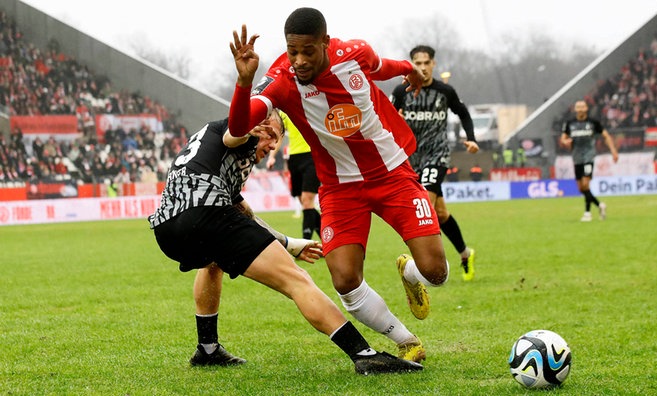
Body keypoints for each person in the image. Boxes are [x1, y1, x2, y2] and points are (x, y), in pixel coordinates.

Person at [227, 9, 451, 364]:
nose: (298, 60)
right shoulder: (281, 79)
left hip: (392, 174)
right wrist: (243, 82)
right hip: (339, 189)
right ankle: (406, 340)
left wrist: (410, 71)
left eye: (307, 51)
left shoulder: (354, 54)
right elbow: (239, 126)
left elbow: (383, 66)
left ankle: (409, 272)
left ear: (326, 43)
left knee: (436, 273)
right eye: (291, 51)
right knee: (345, 279)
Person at [148, 113, 421, 375]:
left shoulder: (208, 141)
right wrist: (246, 82)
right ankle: (364, 355)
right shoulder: (240, 131)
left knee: (213, 263)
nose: (274, 146)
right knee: (297, 280)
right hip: (208, 214)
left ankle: (207, 349)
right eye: (274, 136)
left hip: (167, 228)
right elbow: (237, 132)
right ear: (261, 125)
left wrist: (289, 243)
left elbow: (243, 212)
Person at [391, 45, 479, 282]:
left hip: (437, 155)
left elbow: (463, 113)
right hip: (410, 158)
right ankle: (465, 254)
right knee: (440, 213)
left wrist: (471, 138)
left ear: (433, 64)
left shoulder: (445, 91)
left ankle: (423, 267)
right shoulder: (401, 91)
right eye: (417, 63)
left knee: (424, 204)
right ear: (410, 65)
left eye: (426, 63)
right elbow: (385, 117)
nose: (422, 67)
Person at [560, 99, 619, 222]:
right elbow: (563, 139)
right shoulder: (570, 123)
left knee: (586, 183)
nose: (580, 109)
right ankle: (600, 205)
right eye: (578, 107)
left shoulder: (593, 123)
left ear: (586, 108)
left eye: (582, 106)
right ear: (575, 109)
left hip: (588, 156)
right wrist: (566, 141)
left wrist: (613, 151)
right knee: (581, 188)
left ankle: (587, 213)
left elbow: (606, 136)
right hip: (576, 157)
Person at [267, 110, 321, 239]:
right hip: (294, 159)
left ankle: (305, 243)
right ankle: (328, 240)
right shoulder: (285, 113)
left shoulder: (312, 107)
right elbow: (279, 136)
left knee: (307, 200)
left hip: (312, 157)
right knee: (304, 203)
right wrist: (271, 157)